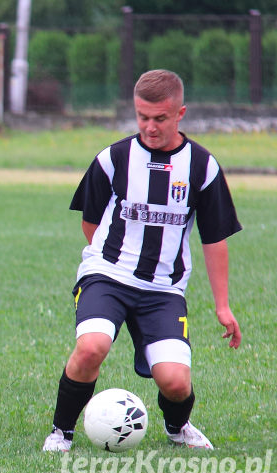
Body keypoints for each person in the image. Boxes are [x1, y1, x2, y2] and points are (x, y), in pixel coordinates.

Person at [42, 69, 242, 452]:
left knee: (175, 382)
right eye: (142, 117)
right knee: (91, 347)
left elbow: (215, 238)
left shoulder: (202, 167)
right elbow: (91, 221)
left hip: (163, 290)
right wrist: (113, 262)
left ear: (180, 113)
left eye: (160, 118)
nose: (150, 127)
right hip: (107, 276)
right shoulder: (114, 158)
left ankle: (177, 427)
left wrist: (222, 306)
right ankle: (61, 431)